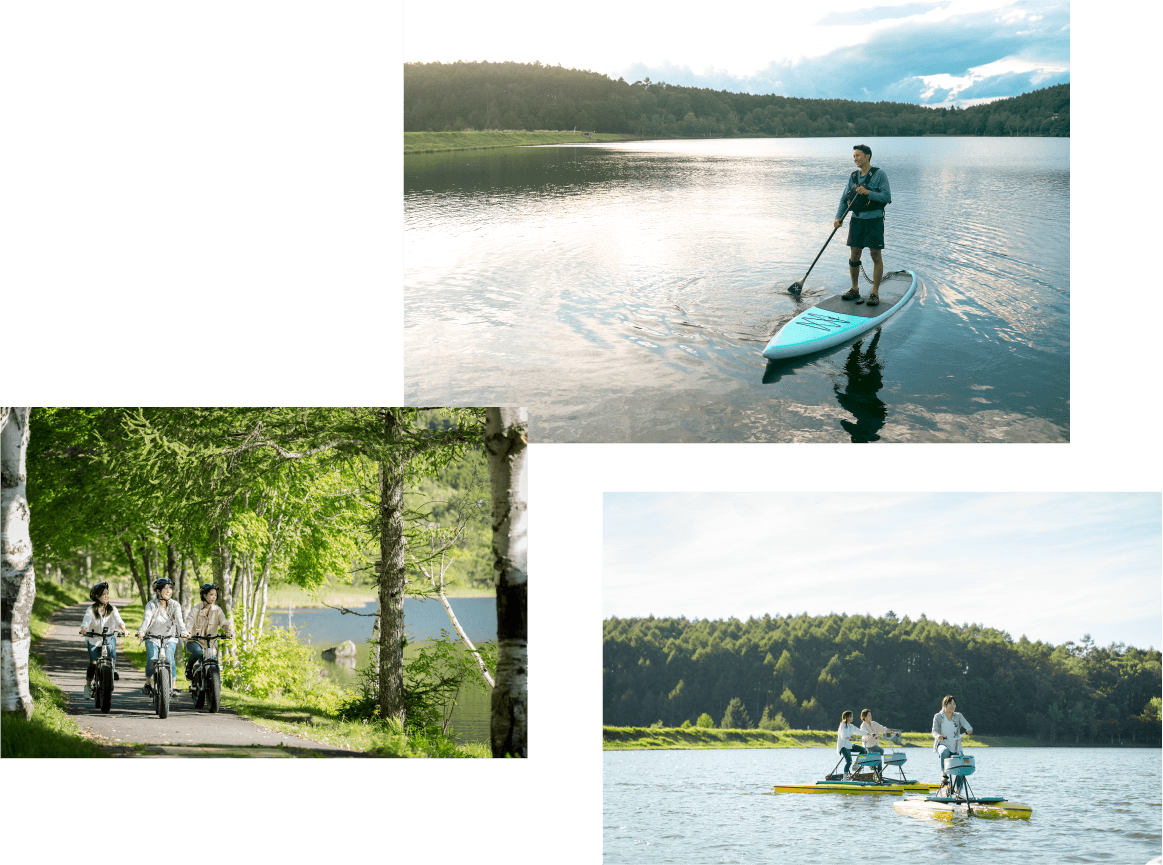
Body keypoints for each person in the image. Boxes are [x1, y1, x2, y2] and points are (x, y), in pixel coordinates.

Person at [834, 144, 892, 306]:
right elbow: (843, 199)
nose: (855, 159)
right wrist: (838, 217)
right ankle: (855, 289)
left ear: (867, 156)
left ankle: (875, 292)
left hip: (874, 221)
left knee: (875, 255)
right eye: (854, 156)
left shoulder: (879, 174)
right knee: (854, 255)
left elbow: (887, 197)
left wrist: (868, 193)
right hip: (857, 220)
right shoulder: (853, 177)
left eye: (858, 155)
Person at [136, 577, 189, 695]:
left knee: (169, 659)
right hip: (152, 637)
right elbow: (147, 618)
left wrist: (183, 631)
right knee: (152, 658)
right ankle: (148, 682)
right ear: (158, 591)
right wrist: (142, 631)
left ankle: (173, 686)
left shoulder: (175, 605)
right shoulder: (151, 604)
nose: (169, 591)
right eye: (165, 588)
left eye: (170, 588)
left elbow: (179, 620)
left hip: (169, 637)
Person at [78, 582, 127, 699]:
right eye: (103, 594)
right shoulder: (91, 610)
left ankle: (112, 669)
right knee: (93, 662)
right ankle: (88, 686)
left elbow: (119, 621)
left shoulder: (112, 609)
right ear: (97, 596)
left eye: (107, 593)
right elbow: (86, 621)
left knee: (111, 658)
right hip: (94, 639)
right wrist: (83, 629)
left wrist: (124, 629)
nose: (106, 596)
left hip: (108, 638)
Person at [184, 583, 232, 690]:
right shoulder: (196, 609)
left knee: (213, 664)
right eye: (211, 594)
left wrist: (227, 631)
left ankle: (215, 689)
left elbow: (223, 622)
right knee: (198, 652)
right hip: (195, 641)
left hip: (211, 643)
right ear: (204, 595)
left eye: (215, 595)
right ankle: (188, 669)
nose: (214, 597)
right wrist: (188, 632)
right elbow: (190, 621)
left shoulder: (217, 610)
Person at [931, 694, 974, 794]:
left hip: (955, 746)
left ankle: (958, 790)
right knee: (944, 752)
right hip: (942, 743)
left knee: (962, 764)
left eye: (954, 704)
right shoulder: (938, 716)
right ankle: (944, 775)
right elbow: (934, 731)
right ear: (944, 705)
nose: (952, 706)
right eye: (950, 703)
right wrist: (938, 736)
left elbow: (968, 726)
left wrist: (969, 730)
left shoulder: (958, 716)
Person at [836, 710, 867, 778]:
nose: (853, 718)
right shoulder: (842, 726)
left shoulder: (851, 726)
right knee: (849, 761)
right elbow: (843, 736)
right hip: (843, 746)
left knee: (863, 750)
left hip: (849, 745)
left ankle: (856, 764)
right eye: (851, 716)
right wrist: (850, 738)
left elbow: (859, 731)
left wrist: (868, 734)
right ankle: (844, 778)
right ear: (848, 717)